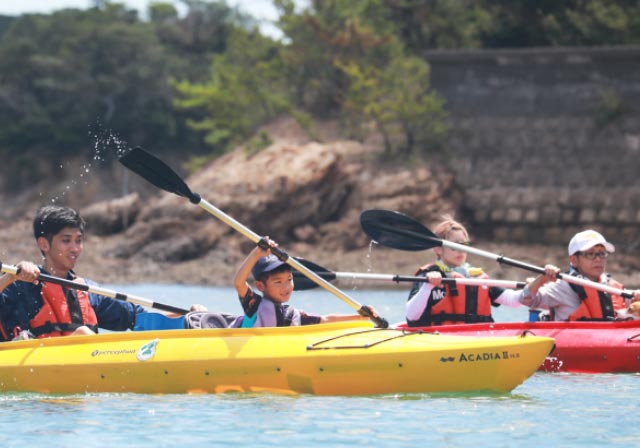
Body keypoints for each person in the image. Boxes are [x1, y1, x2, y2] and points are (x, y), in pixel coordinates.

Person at [0, 205, 144, 341]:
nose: (75, 248)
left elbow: (136, 316)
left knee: (84, 333)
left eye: (79, 241)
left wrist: (163, 319)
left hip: (82, 362)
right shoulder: (19, 285)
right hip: (33, 363)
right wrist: (9, 277)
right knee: (83, 333)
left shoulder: (88, 290)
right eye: (66, 240)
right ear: (44, 244)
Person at [406, 216, 527, 327]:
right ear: (438, 249)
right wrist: (427, 287)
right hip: (440, 341)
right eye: (455, 246)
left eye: (464, 245)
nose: (461, 251)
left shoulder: (477, 277)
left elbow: (514, 300)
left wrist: (531, 288)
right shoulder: (427, 276)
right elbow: (411, 316)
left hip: (476, 340)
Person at [233, 237, 378, 327]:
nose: (286, 286)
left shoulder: (292, 316)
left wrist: (359, 316)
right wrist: (257, 253)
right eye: (278, 282)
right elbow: (239, 283)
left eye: (289, 280)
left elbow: (325, 319)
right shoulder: (254, 305)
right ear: (260, 286)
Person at [520, 229, 640, 321]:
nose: (598, 259)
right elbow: (526, 300)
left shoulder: (614, 288)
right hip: (574, 345)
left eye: (602, 254)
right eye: (590, 254)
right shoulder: (562, 287)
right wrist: (541, 280)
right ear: (574, 260)